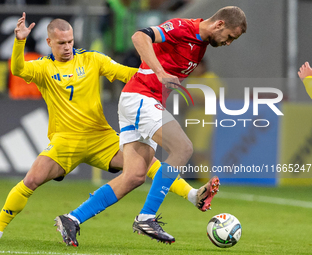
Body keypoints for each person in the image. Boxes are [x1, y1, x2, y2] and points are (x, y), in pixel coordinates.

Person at [0, 12, 214, 245]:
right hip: (65, 142)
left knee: (144, 165)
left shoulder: (92, 59)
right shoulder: (42, 67)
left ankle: (192, 195)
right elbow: (18, 70)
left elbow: (128, 74)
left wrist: (160, 77)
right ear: (49, 42)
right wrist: (20, 42)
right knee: (31, 180)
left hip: (101, 137)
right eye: (61, 43)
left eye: (70, 41)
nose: (67, 47)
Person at [56, 6, 246, 246]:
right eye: (230, 37)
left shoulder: (201, 45)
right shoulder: (183, 27)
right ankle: (146, 217)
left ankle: (72, 218)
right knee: (183, 148)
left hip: (142, 100)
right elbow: (139, 36)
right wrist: (160, 72)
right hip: (140, 97)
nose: (228, 43)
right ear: (220, 24)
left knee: (134, 176)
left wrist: (193, 195)